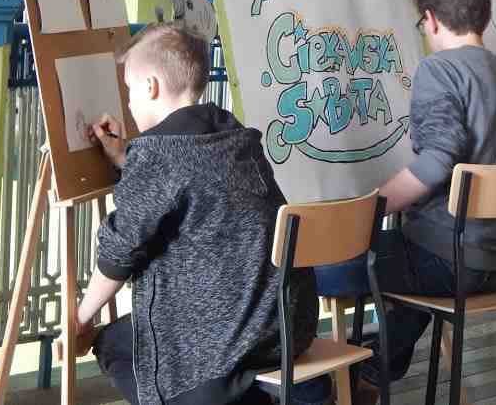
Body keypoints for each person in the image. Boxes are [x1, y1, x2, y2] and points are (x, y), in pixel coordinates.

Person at [315, 0, 496, 403]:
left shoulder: (439, 71)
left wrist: (366, 209)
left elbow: (438, 161)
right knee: (406, 259)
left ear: (433, 18)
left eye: (422, 22)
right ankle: (370, 376)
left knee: (307, 267)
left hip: (446, 261)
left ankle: (315, 391)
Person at [75, 24, 329, 405]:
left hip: (225, 337)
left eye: (129, 89)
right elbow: (191, 181)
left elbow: (118, 253)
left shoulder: (158, 156)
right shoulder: (234, 136)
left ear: (150, 87)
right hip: (287, 325)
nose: (128, 102)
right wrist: (127, 158)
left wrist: (79, 320)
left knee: (114, 344)